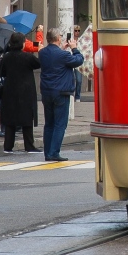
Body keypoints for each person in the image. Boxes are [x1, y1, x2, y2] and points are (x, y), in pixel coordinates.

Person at [39, 28, 85, 162]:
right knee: (60, 124)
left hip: (46, 91)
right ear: (58, 38)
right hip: (61, 92)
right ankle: (54, 152)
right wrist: (74, 48)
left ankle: (48, 152)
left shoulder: (43, 53)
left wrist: (63, 49)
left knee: (49, 123)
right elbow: (78, 60)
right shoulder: (62, 55)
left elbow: (56, 60)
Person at [0, 32, 42, 154]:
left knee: (10, 118)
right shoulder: (27, 57)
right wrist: (40, 50)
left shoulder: (6, 57)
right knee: (27, 118)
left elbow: (2, 72)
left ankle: (8, 146)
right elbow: (38, 63)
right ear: (22, 43)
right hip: (25, 91)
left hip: (9, 90)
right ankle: (29, 145)